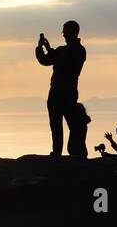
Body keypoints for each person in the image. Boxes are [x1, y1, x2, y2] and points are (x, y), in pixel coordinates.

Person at [35, 20, 86, 156]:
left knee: (71, 125)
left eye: (64, 31)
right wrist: (42, 48)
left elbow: (61, 60)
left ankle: (75, 152)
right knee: (56, 126)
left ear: (71, 32)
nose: (63, 34)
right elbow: (46, 60)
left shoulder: (78, 51)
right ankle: (58, 153)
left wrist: (49, 50)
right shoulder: (65, 50)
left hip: (65, 93)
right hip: (58, 92)